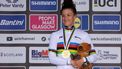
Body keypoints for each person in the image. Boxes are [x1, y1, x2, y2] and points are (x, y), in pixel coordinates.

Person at [48, 0, 97, 69]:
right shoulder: (55, 35)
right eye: (63, 16)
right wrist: (70, 61)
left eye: (68, 15)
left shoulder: (83, 35)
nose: (65, 18)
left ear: (74, 16)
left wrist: (83, 60)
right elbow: (51, 59)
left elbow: (94, 56)